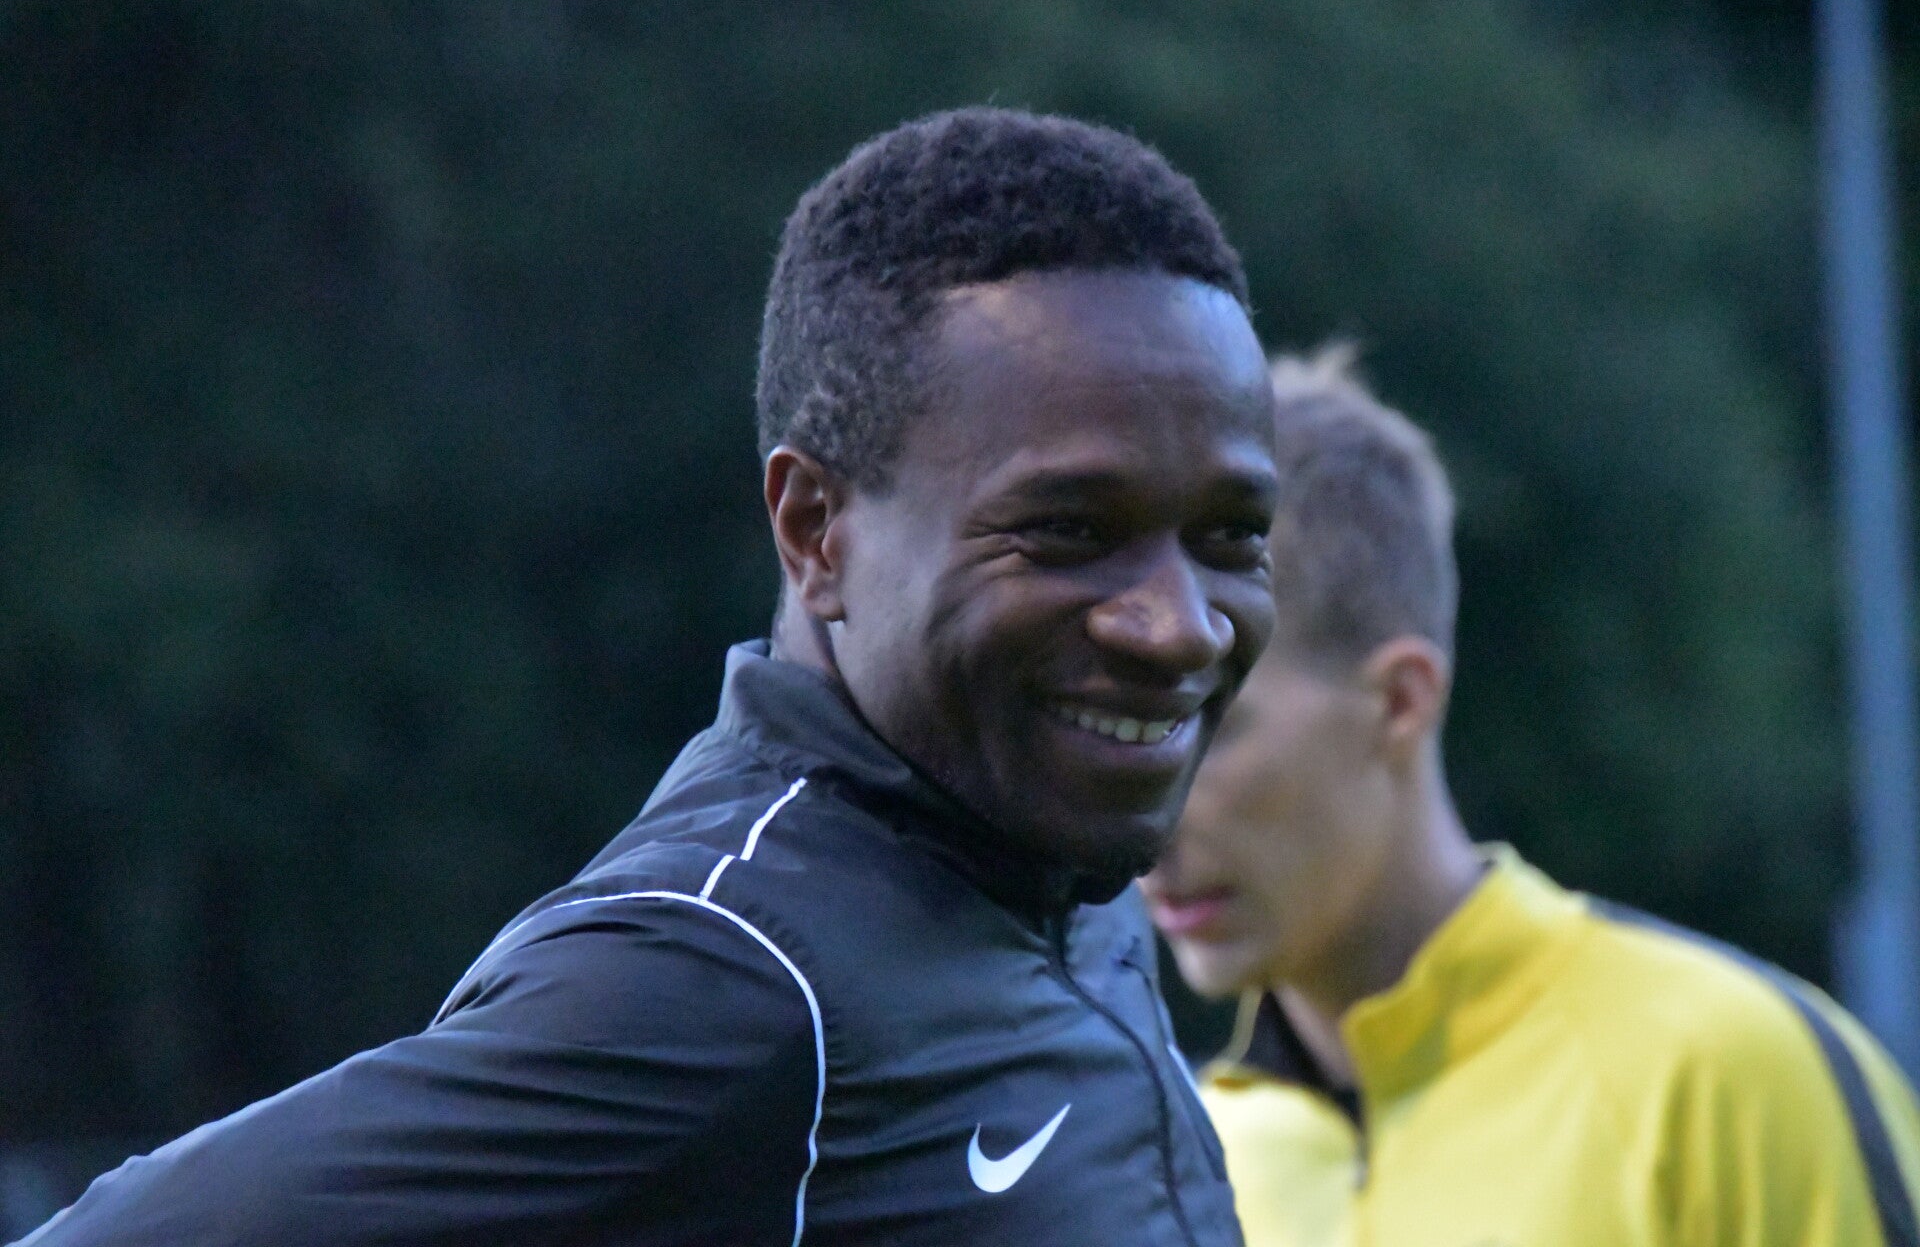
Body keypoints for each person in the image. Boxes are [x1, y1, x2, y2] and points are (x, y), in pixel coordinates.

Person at [25, 108, 1279, 1245]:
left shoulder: (1056, 852)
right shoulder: (724, 979)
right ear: (815, 529)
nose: (1178, 627)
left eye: (1231, 536)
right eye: (1066, 530)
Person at [1141, 345, 1920, 1247]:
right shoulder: (1186, 1168)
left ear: (1399, 702)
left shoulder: (1730, 1077)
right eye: (1127, 733)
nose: (1146, 826)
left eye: (1207, 727)